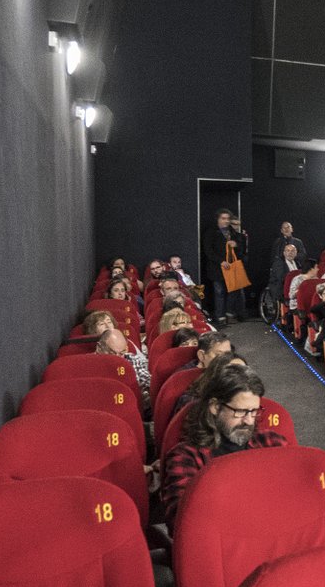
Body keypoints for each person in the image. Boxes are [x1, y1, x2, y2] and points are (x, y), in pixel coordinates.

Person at [160, 364, 287, 528]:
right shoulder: (186, 458)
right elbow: (183, 523)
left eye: (254, 411)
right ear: (215, 406)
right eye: (240, 412)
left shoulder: (272, 443)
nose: (249, 421)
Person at [201, 208, 247, 325]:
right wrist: (220, 261)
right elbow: (208, 250)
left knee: (233, 291)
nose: (226, 221)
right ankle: (220, 317)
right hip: (217, 268)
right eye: (223, 218)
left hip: (231, 267)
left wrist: (236, 244)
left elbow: (241, 247)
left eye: (228, 219)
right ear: (218, 219)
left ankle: (229, 313)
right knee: (219, 292)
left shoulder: (232, 231)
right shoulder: (211, 231)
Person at [96, 329, 151, 413]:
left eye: (122, 352)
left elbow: (147, 381)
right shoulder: (89, 365)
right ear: (99, 347)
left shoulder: (132, 359)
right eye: (112, 352)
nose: (118, 358)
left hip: (129, 408)